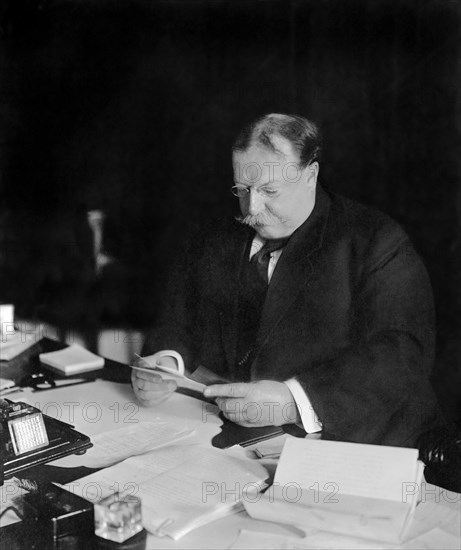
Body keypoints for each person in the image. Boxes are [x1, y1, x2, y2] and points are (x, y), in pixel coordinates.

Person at [132, 113, 443, 446]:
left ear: (310, 175)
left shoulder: (375, 239)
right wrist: (167, 363)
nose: (252, 208)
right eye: (243, 189)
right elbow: (179, 320)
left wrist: (294, 401)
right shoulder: (216, 235)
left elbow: (402, 354)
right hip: (238, 442)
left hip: (360, 443)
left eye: (269, 190)